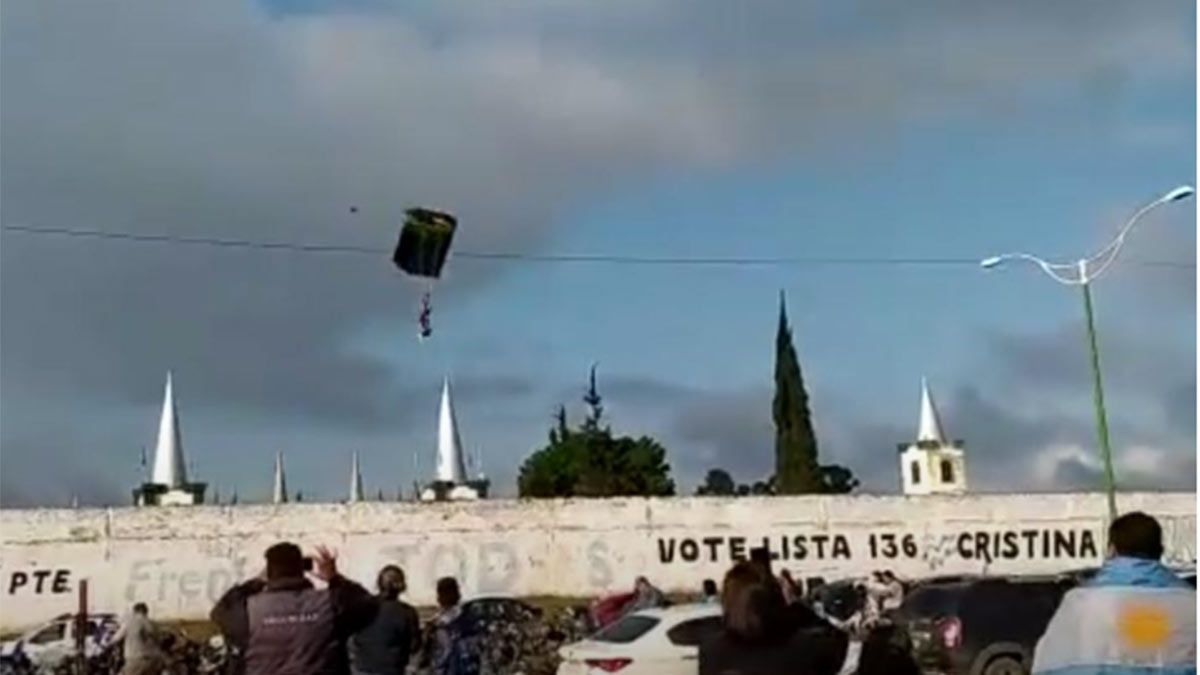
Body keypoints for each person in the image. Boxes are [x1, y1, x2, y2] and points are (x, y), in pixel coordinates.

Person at [1032, 512, 1196, 675]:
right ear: (1160, 551)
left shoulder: (1079, 604)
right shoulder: (1192, 604)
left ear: (1111, 550)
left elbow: (1047, 665)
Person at [210, 543, 377, 675]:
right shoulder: (330, 604)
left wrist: (256, 582)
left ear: (268, 572)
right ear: (302, 569)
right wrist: (334, 578)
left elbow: (220, 611)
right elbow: (369, 605)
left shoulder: (249, 611)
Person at [700, 562, 847, 675]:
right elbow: (840, 644)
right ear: (777, 599)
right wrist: (795, 605)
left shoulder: (712, 650)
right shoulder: (805, 647)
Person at [350, 565, 421, 675]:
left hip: (362, 668)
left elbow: (352, 638)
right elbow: (414, 646)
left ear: (379, 583)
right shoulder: (407, 612)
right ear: (401, 586)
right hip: (392, 669)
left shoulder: (362, 606)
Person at [422, 577, 481, 675]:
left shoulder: (437, 625)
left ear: (440, 597)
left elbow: (441, 655)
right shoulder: (471, 619)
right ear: (458, 594)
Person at [106, 602, 163, 675]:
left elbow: (116, 639)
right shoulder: (153, 623)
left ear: (135, 611)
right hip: (153, 661)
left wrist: (108, 644)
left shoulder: (129, 622)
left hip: (135, 660)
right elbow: (159, 638)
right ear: (146, 611)